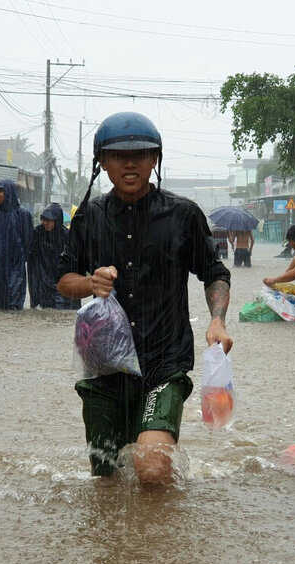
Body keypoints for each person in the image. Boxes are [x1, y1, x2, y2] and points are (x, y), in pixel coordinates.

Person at [57, 111, 233, 489]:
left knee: (152, 470)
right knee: (106, 481)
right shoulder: (87, 218)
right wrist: (90, 283)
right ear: (101, 162)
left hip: (163, 362)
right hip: (104, 369)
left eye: (141, 154)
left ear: (156, 160)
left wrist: (217, 319)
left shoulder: (183, 215)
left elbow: (215, 273)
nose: (130, 163)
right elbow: (63, 281)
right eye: (119, 155)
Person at [0, 179, 32, 310]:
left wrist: (16, 260)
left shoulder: (23, 214)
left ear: (9, 193)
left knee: (12, 308)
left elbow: (29, 244)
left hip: (14, 270)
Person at [28, 203, 79, 309]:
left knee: (61, 308)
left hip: (60, 279)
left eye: (49, 220)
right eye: (43, 219)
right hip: (44, 279)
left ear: (57, 220)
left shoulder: (66, 235)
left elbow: (72, 260)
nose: (45, 223)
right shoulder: (38, 232)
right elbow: (33, 258)